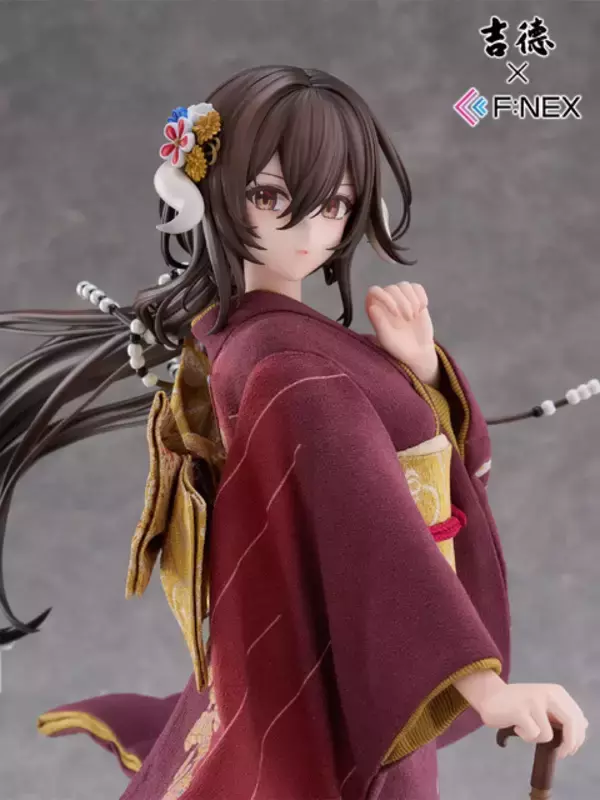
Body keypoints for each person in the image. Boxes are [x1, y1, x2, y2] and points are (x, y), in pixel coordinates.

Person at [0, 65, 587, 800]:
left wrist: (420, 373)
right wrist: (485, 687)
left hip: (326, 650)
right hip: (346, 662)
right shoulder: (288, 369)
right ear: (208, 192)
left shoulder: (241, 338)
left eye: (334, 204)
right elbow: (377, 533)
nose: (309, 231)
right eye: (270, 196)